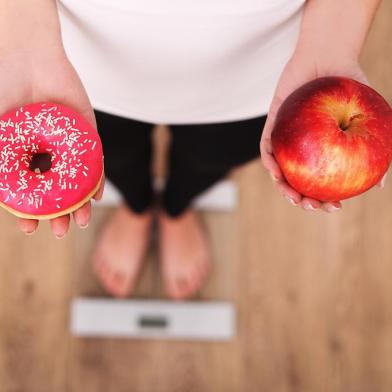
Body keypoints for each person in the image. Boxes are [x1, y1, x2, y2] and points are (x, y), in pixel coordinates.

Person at [1, 0, 382, 299]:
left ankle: (176, 208)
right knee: (111, 156)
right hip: (69, 58)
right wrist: (22, 35)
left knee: (211, 157)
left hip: (265, 70)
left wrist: (331, 43)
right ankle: (136, 207)